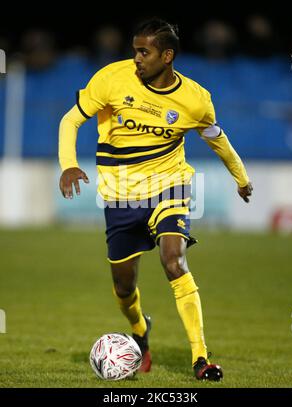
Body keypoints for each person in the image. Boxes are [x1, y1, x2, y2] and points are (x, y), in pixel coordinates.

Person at [58, 18, 253, 381]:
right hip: (120, 195)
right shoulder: (112, 79)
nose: (136, 58)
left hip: (170, 186)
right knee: (123, 287)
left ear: (167, 55)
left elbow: (218, 140)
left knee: (174, 262)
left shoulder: (195, 100)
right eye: (135, 50)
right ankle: (140, 329)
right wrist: (68, 166)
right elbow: (70, 121)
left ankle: (200, 358)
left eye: (144, 52)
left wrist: (241, 179)